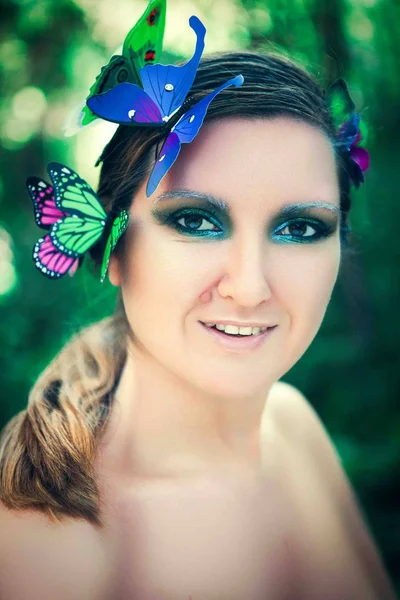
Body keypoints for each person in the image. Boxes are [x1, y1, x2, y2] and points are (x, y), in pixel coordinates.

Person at [0, 8, 397, 600]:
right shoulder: (54, 546)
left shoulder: (289, 424)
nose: (250, 286)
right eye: (196, 220)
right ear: (113, 249)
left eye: (300, 229)